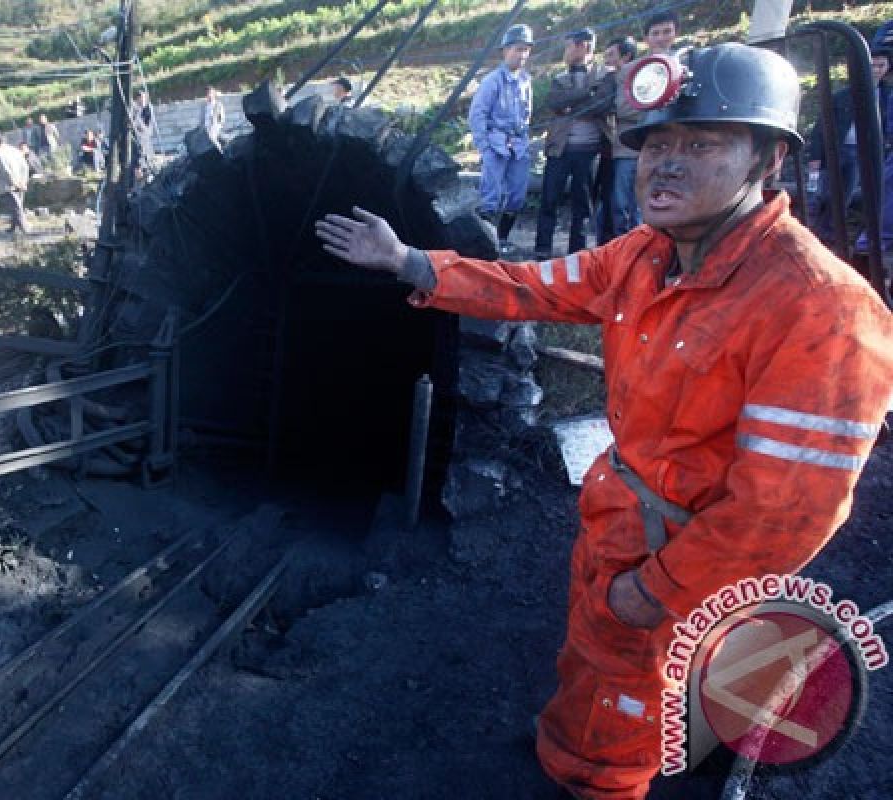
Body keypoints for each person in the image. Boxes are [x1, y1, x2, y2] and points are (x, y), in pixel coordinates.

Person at [316, 43, 893, 799]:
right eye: (655, 144)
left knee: (637, 688)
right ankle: (573, 743)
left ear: (768, 160)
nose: (667, 164)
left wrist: (656, 589)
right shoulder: (646, 256)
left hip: (687, 561)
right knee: (593, 659)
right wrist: (412, 264)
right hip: (619, 519)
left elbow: (783, 513)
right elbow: (531, 286)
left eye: (702, 143)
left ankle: (601, 780)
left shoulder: (822, 309)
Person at [534, 28, 615, 259]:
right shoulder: (560, 78)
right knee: (549, 200)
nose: (566, 52)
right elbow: (554, 102)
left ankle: (577, 253)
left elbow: (602, 105)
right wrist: (587, 93)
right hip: (559, 148)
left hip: (589, 151)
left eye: (569, 46)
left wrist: (571, 107)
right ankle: (542, 250)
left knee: (583, 205)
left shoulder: (605, 75)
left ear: (584, 46)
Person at [806, 46, 891, 246]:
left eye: (881, 65)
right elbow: (821, 125)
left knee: (846, 195)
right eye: (873, 65)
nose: (877, 70)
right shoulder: (843, 95)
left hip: (861, 152)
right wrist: (815, 155)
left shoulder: (885, 97)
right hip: (835, 150)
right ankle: (813, 231)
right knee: (822, 194)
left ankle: (831, 236)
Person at [468, 24, 534, 249]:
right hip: (496, 144)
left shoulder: (526, 81)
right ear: (505, 51)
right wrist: (484, 146)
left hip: (519, 144)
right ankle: (488, 243)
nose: (522, 55)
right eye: (517, 49)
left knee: (517, 195)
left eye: (526, 49)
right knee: (491, 196)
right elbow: (477, 114)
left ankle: (503, 239)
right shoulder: (492, 81)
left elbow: (527, 114)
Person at [600, 35, 641, 243]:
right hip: (619, 148)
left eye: (611, 55)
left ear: (626, 56)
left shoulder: (634, 73)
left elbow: (632, 107)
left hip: (634, 150)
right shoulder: (613, 78)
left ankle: (633, 247)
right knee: (619, 203)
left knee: (629, 203)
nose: (606, 60)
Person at [0, 130, 31, 235]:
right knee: (18, 206)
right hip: (21, 181)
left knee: (16, 207)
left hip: (9, 184)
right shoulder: (14, 149)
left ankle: (25, 229)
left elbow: (5, 170)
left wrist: (15, 182)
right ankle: (14, 227)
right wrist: (24, 181)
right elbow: (25, 166)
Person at [130, 89, 156, 179]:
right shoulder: (135, 111)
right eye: (142, 98)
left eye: (144, 98)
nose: (144, 100)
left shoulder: (147, 109)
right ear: (137, 99)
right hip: (138, 145)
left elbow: (147, 129)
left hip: (145, 143)